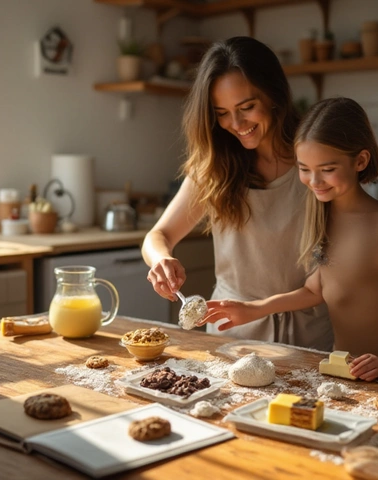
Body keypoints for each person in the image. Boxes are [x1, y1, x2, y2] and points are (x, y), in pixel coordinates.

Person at [202, 97, 378, 381]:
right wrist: (254, 309)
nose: (314, 181)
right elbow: (315, 290)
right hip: (340, 374)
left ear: (360, 161)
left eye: (327, 169)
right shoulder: (322, 218)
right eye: (304, 169)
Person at [141, 36, 334, 350]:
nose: (236, 123)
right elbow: (158, 234)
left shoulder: (313, 159)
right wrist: (161, 260)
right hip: (231, 337)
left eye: (247, 107)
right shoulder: (214, 166)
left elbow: (338, 267)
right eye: (222, 113)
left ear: (273, 95)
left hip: (308, 338)